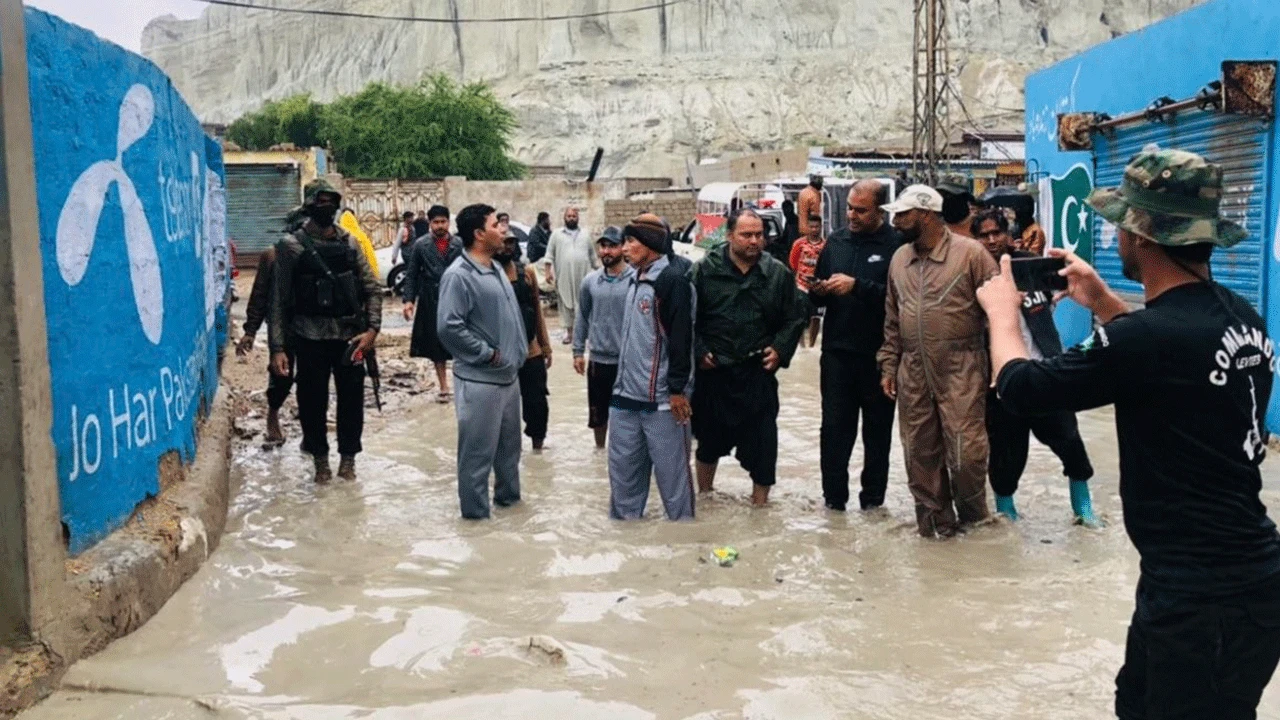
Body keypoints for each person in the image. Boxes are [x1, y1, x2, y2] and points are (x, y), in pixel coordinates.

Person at [977, 148, 1280, 719]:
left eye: (1120, 224)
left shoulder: (1149, 340)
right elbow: (1164, 353)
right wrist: (1102, 301)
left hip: (1200, 598)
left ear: (1140, 236)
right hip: (1234, 580)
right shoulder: (1240, 314)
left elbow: (1021, 388)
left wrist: (1001, 313)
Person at [877, 185, 997, 538]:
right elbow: (891, 317)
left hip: (962, 366)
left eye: (903, 214)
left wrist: (1003, 363)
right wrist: (889, 363)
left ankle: (976, 526)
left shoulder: (971, 254)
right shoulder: (899, 259)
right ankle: (935, 532)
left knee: (966, 454)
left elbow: (1000, 311)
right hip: (912, 370)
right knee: (919, 454)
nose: (895, 221)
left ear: (927, 214)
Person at [971, 209, 1100, 526]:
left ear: (1007, 234)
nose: (991, 240)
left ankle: (1083, 511)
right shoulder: (973, 277)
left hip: (1046, 374)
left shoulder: (1032, 265)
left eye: (996, 233)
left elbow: (1062, 284)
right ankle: (1007, 516)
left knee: (1070, 444)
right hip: (1001, 383)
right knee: (1006, 455)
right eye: (983, 235)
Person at [691, 208, 808, 507]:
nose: (754, 241)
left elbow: (795, 317)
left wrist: (781, 350)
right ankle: (705, 498)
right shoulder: (704, 270)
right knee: (708, 444)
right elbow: (685, 319)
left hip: (757, 373)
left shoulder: (778, 274)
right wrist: (698, 350)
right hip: (715, 372)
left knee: (764, 449)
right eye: (746, 235)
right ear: (729, 236)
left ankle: (760, 510)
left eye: (759, 235)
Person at [269, 180, 381, 483]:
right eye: (321, 201)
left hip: (350, 337)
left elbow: (372, 288)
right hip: (309, 337)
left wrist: (372, 331)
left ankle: (348, 461)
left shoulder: (350, 243)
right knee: (311, 402)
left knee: (352, 402)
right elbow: (278, 301)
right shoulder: (291, 246)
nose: (327, 207)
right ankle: (320, 462)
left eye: (332, 201)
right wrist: (278, 348)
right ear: (308, 205)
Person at [810, 179, 902, 512]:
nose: (852, 214)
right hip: (837, 355)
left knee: (877, 436)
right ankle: (833, 504)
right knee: (834, 431)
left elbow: (901, 299)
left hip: (880, 357)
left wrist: (857, 286)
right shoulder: (835, 242)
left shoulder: (897, 246)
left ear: (880, 210)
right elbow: (818, 293)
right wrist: (817, 290)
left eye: (860, 210)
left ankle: (873, 504)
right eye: (849, 207)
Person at [437, 204, 529, 520]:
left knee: (509, 457)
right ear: (478, 234)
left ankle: (512, 516)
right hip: (480, 382)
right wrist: (487, 354)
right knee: (476, 460)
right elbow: (449, 326)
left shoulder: (494, 268)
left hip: (508, 379)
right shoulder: (459, 275)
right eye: (495, 225)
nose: (503, 230)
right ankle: (476, 525)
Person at [609, 213, 697, 521]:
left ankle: (683, 544)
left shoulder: (671, 281)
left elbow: (681, 340)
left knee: (674, 485)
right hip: (624, 400)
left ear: (651, 244)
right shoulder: (633, 278)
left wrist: (676, 391)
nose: (625, 248)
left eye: (631, 241)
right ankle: (626, 549)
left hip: (662, 402)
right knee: (622, 483)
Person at [573, 227, 632, 449]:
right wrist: (578, 352)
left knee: (626, 414)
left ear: (623, 248)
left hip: (626, 361)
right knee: (598, 415)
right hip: (598, 360)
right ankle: (600, 453)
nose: (606, 251)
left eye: (612, 246)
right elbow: (582, 316)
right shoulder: (590, 282)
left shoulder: (635, 280)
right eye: (603, 246)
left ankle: (623, 453)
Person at [497, 230, 553, 451]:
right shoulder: (486, 275)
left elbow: (537, 312)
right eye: (503, 243)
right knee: (501, 407)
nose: (507, 247)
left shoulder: (527, 273)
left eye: (510, 242)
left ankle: (537, 449)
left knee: (537, 403)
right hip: (501, 354)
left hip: (531, 351)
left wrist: (546, 346)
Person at [403, 205, 462, 403]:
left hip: (456, 297)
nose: (440, 226)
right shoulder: (421, 245)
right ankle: (444, 386)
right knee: (436, 344)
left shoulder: (460, 244)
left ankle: (462, 383)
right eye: (435, 222)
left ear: (448, 222)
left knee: (461, 339)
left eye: (443, 222)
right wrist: (409, 301)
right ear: (429, 224)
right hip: (431, 298)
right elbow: (411, 275)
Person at [236, 246, 291, 446]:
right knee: (281, 374)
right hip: (282, 327)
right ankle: (273, 414)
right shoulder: (274, 255)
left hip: (315, 326)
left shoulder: (331, 247)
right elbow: (260, 294)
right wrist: (250, 331)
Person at [545, 207, 599, 344]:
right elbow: (549, 255)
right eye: (568, 216)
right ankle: (569, 334)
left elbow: (593, 256)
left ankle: (584, 333)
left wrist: (600, 271)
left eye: (574, 216)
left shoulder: (585, 235)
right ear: (564, 218)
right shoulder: (556, 235)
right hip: (564, 276)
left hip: (583, 276)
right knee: (565, 304)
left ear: (578, 218)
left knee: (584, 303)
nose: (571, 218)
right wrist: (547, 272)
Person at [788, 212, 827, 348]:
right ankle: (802, 348)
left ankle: (811, 346)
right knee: (800, 318)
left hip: (817, 286)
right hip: (801, 285)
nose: (814, 230)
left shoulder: (826, 245)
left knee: (815, 317)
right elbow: (793, 262)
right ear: (807, 227)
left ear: (821, 227)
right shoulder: (799, 244)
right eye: (812, 227)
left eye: (817, 227)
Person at [774, 198, 801, 266]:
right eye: (784, 210)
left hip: (794, 250)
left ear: (791, 209)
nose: (785, 212)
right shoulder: (788, 221)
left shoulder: (795, 221)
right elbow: (785, 236)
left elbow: (792, 239)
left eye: (786, 209)